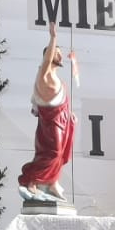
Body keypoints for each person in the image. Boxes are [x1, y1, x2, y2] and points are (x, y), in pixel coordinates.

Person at [17, 20, 78, 203]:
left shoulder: (59, 80)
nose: (60, 56)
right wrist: (53, 38)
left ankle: (52, 182)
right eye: (56, 53)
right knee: (53, 152)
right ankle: (32, 181)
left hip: (62, 121)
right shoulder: (44, 75)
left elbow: (61, 103)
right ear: (49, 56)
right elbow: (46, 61)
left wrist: (70, 116)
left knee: (61, 153)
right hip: (51, 123)